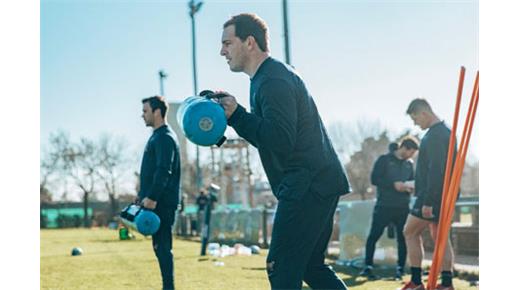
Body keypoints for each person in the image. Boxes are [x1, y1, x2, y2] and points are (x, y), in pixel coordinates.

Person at [217, 13, 351, 290]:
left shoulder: (272, 80)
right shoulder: (267, 77)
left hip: (307, 186)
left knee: (280, 269)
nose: (222, 51)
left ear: (249, 42)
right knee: (311, 268)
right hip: (316, 183)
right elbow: (275, 137)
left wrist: (237, 115)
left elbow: (279, 139)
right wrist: (235, 115)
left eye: (228, 43)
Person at [400, 99, 457, 290]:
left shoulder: (434, 136)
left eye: (415, 118)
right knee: (440, 236)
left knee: (410, 231)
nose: (416, 123)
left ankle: (416, 282)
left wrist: (428, 201)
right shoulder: (446, 132)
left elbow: (436, 170)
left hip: (434, 196)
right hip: (445, 194)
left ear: (424, 112)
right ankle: (447, 284)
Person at [359, 137, 419, 280]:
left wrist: (409, 188)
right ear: (404, 148)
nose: (412, 157)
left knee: (403, 238)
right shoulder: (384, 160)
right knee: (374, 235)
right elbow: (374, 179)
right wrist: (393, 184)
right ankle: (368, 267)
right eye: (411, 153)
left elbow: (412, 180)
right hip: (384, 206)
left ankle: (400, 269)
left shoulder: (409, 164)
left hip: (403, 206)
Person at [138, 96, 181, 290]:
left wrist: (153, 197)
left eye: (145, 111)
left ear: (157, 112)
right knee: (159, 247)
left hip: (162, 203)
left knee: (163, 247)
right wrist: (142, 195)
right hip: (154, 201)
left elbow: (164, 170)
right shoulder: (157, 136)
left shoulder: (165, 137)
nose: (142, 115)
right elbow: (152, 171)